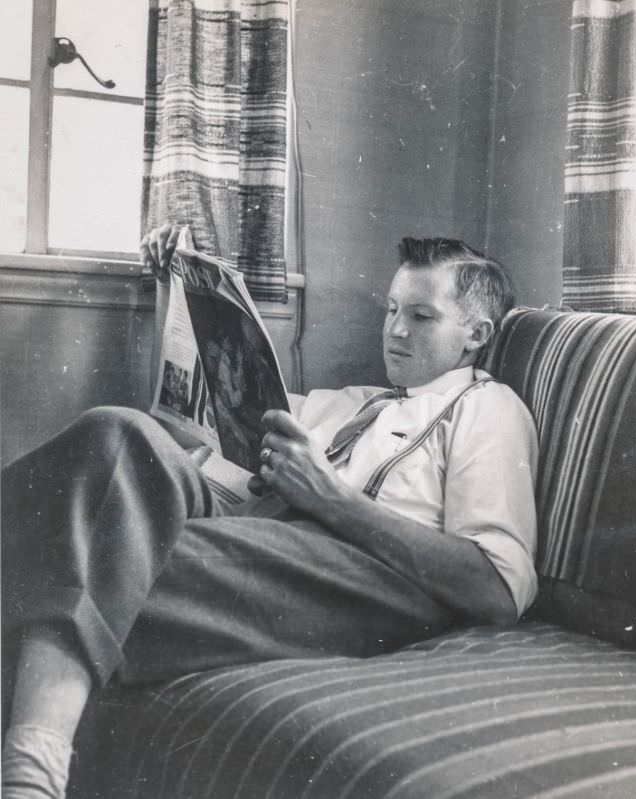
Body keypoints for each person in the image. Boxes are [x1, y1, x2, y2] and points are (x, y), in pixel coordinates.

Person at [1, 227, 538, 799]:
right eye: (391, 310)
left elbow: (497, 588)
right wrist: (175, 292)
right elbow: (208, 444)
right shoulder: (348, 402)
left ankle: (30, 775)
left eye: (422, 317)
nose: (395, 330)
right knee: (115, 433)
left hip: (367, 573)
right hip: (264, 530)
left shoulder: (486, 407)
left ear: (476, 334)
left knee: (88, 547)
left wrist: (330, 497)